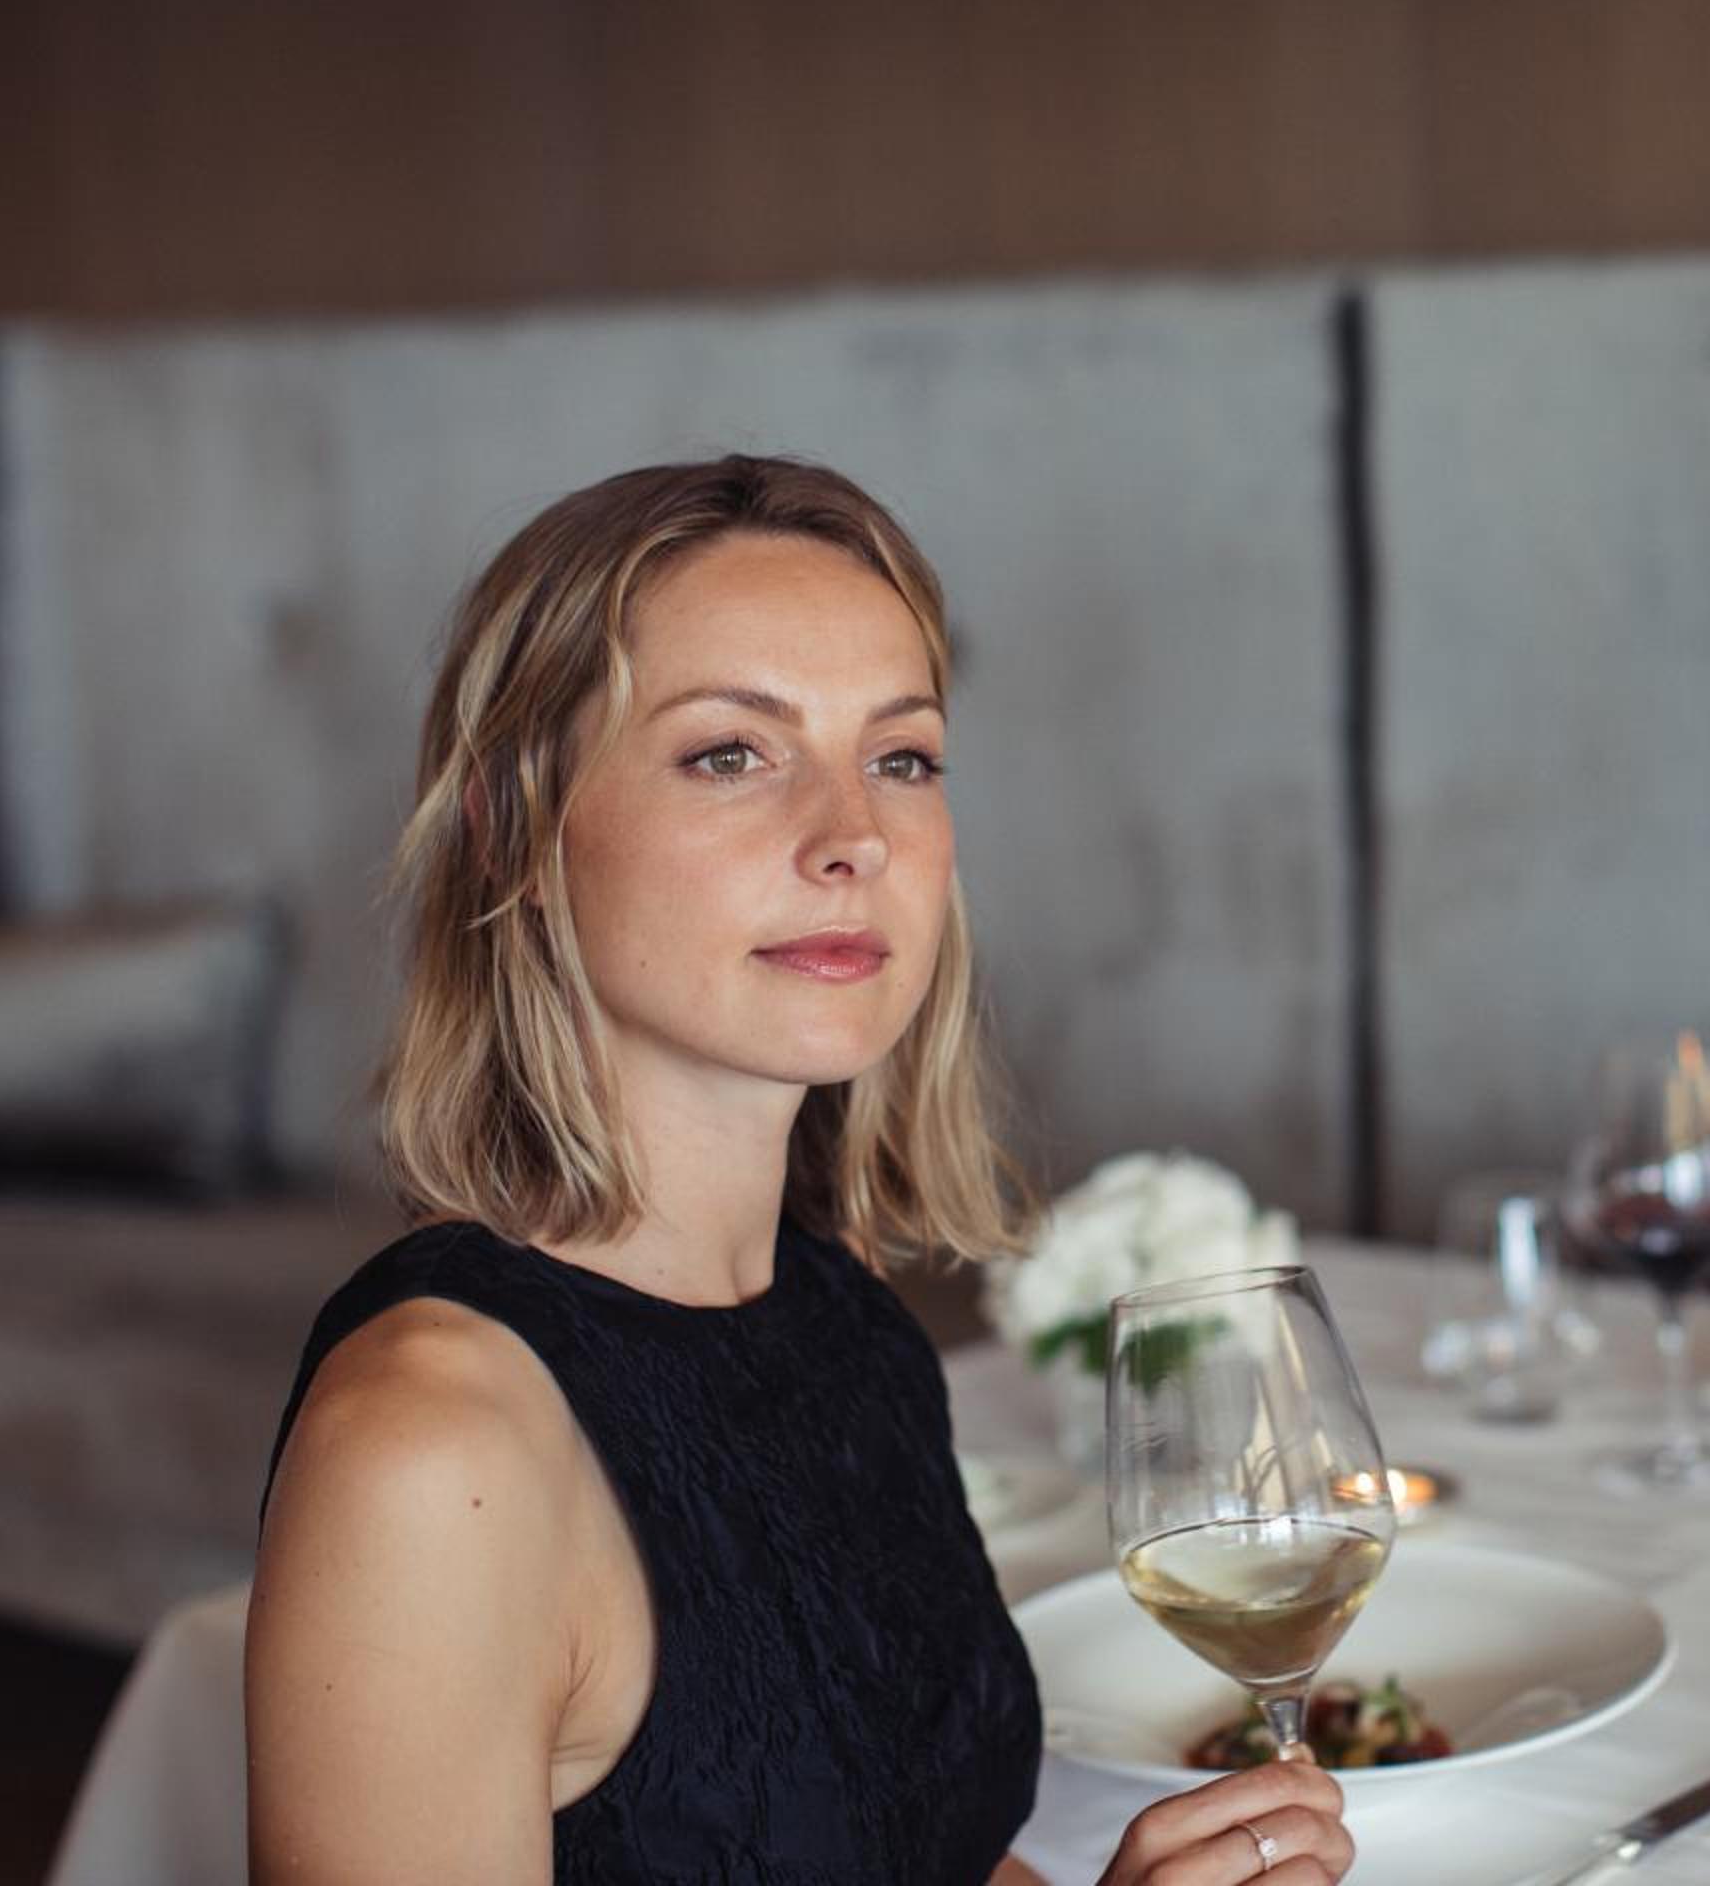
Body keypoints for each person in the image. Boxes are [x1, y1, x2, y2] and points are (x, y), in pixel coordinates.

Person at [246, 458, 1353, 1884]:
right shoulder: (430, 1450)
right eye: (732, 753)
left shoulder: (843, 1315)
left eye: (902, 758)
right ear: (509, 830)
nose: (855, 837)